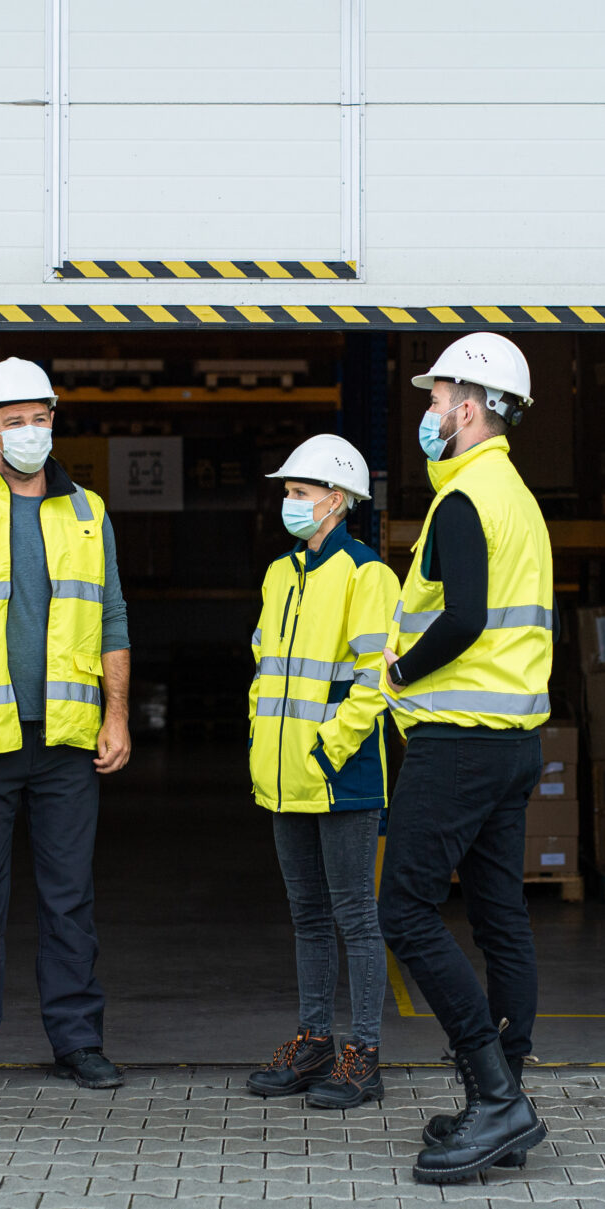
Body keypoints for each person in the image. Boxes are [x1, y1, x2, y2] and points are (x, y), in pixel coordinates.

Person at [0, 357, 132, 1097]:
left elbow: (111, 614)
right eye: (14, 421)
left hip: (68, 738)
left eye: (40, 418)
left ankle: (77, 1041)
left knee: (69, 896)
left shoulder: (88, 512)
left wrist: (117, 714)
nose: (30, 431)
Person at [377, 332, 553, 1184]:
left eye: (437, 398)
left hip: (459, 740)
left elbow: (468, 616)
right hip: (515, 740)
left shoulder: (462, 501)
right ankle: (505, 1100)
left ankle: (494, 1096)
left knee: (403, 913)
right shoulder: (515, 493)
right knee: (499, 921)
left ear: (470, 408)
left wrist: (400, 670)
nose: (429, 412)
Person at [244, 435, 401, 1109]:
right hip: (283, 779)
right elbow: (263, 672)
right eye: (287, 492)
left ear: (335, 501)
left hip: (341, 777)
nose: (289, 503)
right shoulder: (280, 574)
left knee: (354, 918)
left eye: (300, 493)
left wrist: (328, 747)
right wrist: (261, 741)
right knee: (308, 915)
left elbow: (375, 679)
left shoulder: (369, 576)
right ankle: (314, 1044)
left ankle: (362, 1054)